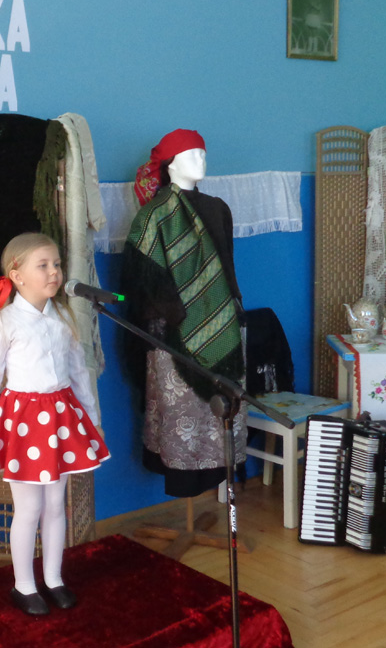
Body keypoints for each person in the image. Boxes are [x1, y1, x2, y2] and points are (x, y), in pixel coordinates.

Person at [0, 232, 110, 616]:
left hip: (60, 420)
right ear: (17, 276)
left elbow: (79, 373)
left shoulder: (62, 317)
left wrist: (92, 421)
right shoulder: (3, 323)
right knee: (29, 507)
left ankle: (53, 578)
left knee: (55, 504)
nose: (54, 272)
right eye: (43, 265)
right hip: (24, 424)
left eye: (57, 264)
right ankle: (24, 585)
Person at [121, 129, 246, 499]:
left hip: (224, 322)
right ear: (170, 163)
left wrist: (232, 311)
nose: (200, 161)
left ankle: (219, 480)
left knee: (222, 410)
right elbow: (142, 280)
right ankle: (184, 483)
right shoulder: (152, 216)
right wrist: (180, 317)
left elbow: (227, 269)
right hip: (173, 334)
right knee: (183, 414)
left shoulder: (219, 209)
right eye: (191, 154)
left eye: (203, 154)